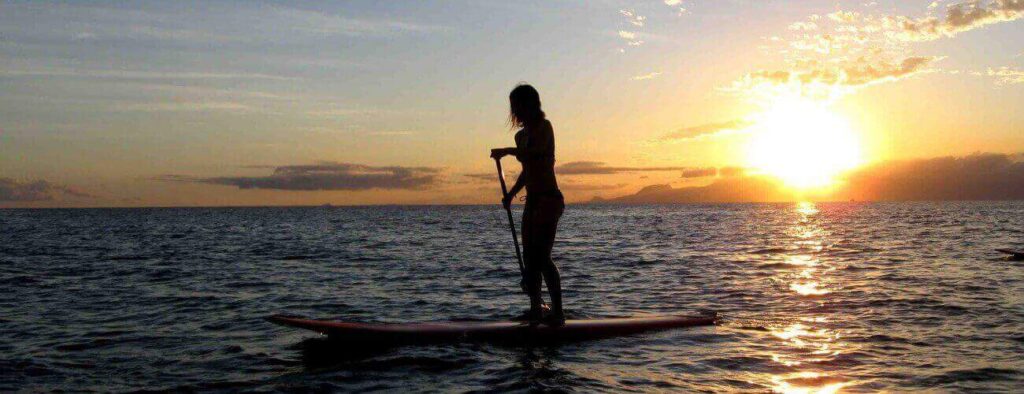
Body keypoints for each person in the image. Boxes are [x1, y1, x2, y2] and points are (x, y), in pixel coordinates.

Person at [490, 84, 566, 326]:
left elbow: (536, 155)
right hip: (532, 202)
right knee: (530, 259)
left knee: (542, 257)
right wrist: (511, 194)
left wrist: (508, 151)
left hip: (549, 200)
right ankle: (536, 309)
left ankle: (558, 313)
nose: (514, 111)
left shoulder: (545, 128)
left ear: (529, 105)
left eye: (517, 105)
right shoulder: (520, 136)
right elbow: (527, 170)